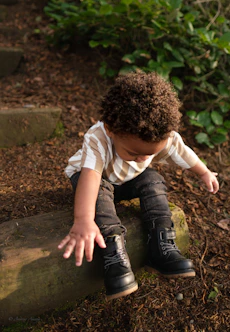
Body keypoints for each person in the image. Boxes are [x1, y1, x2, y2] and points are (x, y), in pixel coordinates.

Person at [58, 72, 219, 301]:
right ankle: (114, 256)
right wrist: (83, 220)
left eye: (150, 153)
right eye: (134, 153)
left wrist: (204, 172)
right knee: (100, 192)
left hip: (126, 180)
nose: (143, 158)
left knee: (152, 179)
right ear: (112, 130)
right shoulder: (99, 137)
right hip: (95, 180)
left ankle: (162, 246)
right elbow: (91, 177)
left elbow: (184, 154)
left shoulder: (163, 135)